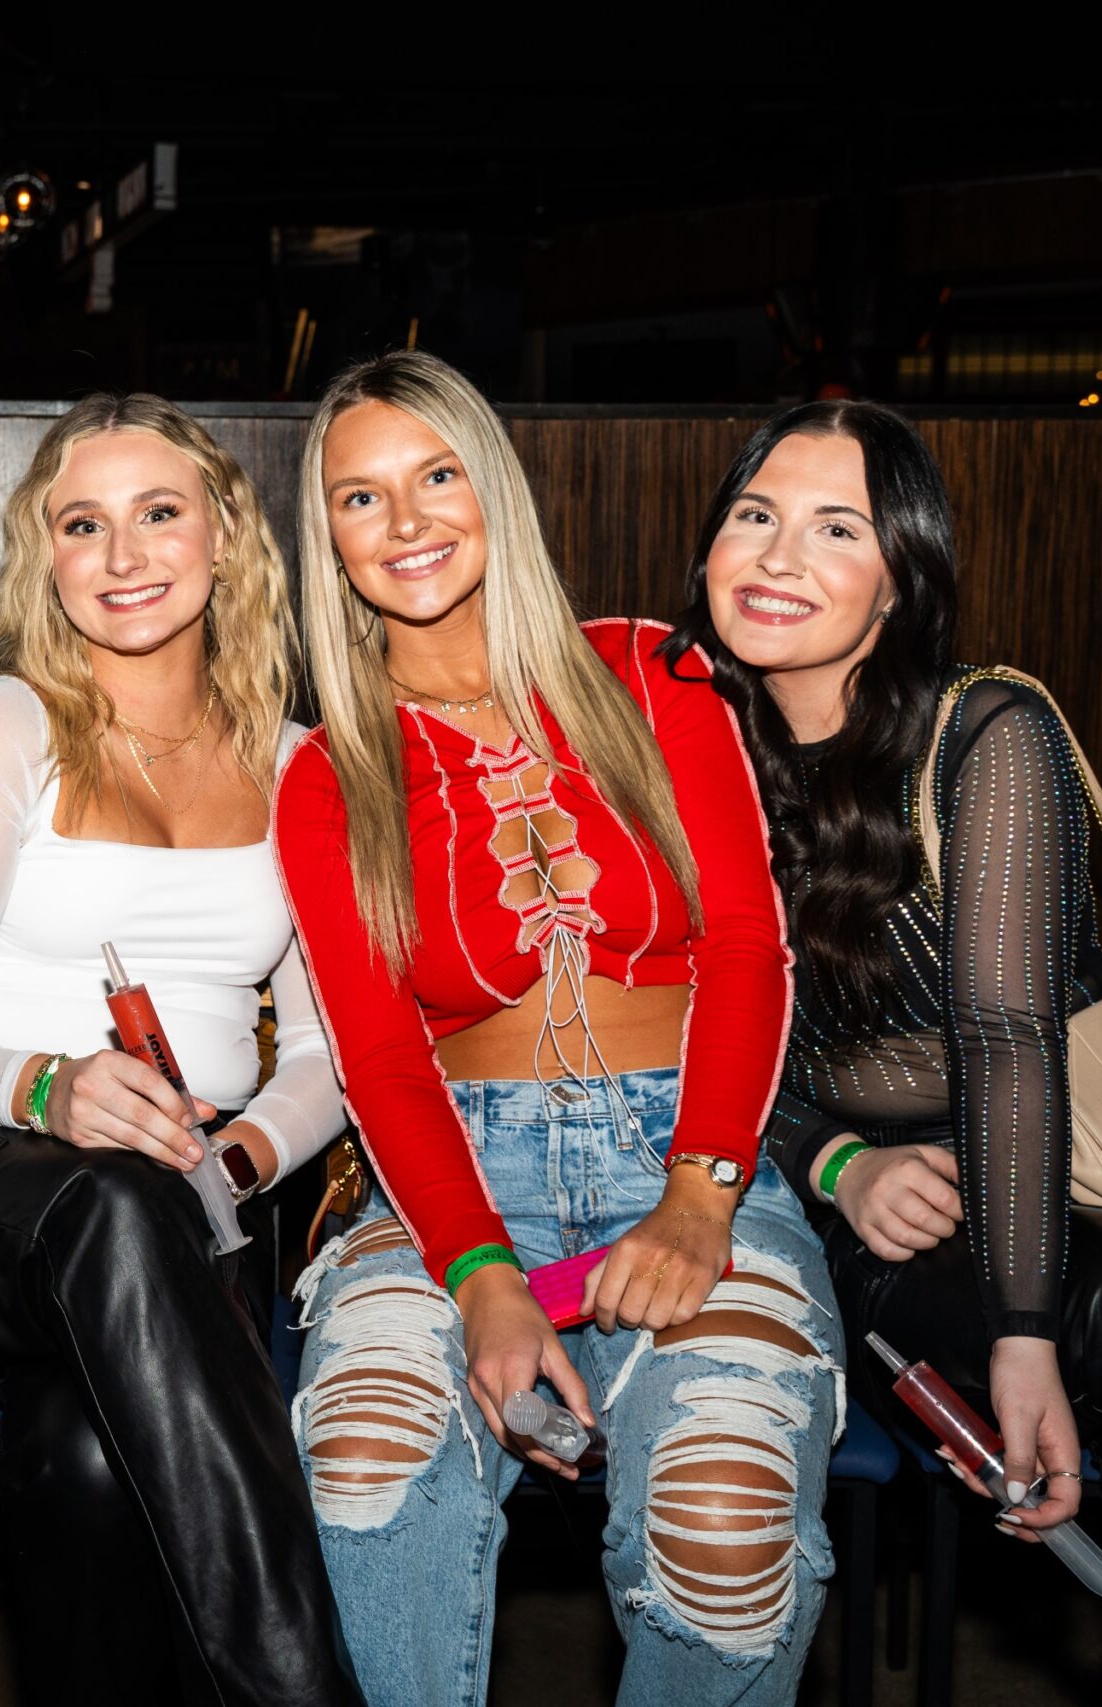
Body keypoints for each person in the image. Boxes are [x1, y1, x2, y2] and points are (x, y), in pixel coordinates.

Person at [672, 399, 1102, 1693]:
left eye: (837, 528)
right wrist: (831, 1159)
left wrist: (1024, 1327)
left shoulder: (985, 730)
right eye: (754, 516)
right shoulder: (669, 747)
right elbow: (642, 1023)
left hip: (1100, 1166)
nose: (777, 558)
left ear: (901, 577)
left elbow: (1006, 1036)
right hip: (884, 1218)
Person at [273, 350, 839, 1707]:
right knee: (364, 1455)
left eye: (436, 477)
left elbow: (750, 948)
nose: (405, 524)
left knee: (725, 1528)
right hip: (449, 1182)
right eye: (362, 498)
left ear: (495, 489)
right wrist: (476, 1271)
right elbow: (381, 1057)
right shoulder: (324, 772)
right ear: (330, 538)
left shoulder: (651, 672)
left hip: (685, 1149)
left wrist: (703, 1195)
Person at [0, 392, 362, 1706]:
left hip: (190, 1218)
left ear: (226, 537)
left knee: (81, 1456)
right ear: (47, 557)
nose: (125, 555)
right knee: (118, 1191)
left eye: (159, 513)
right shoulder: (6, 726)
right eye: (85, 523)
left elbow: (325, 1056)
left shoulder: (299, 766)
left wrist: (241, 1151)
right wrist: (48, 1084)